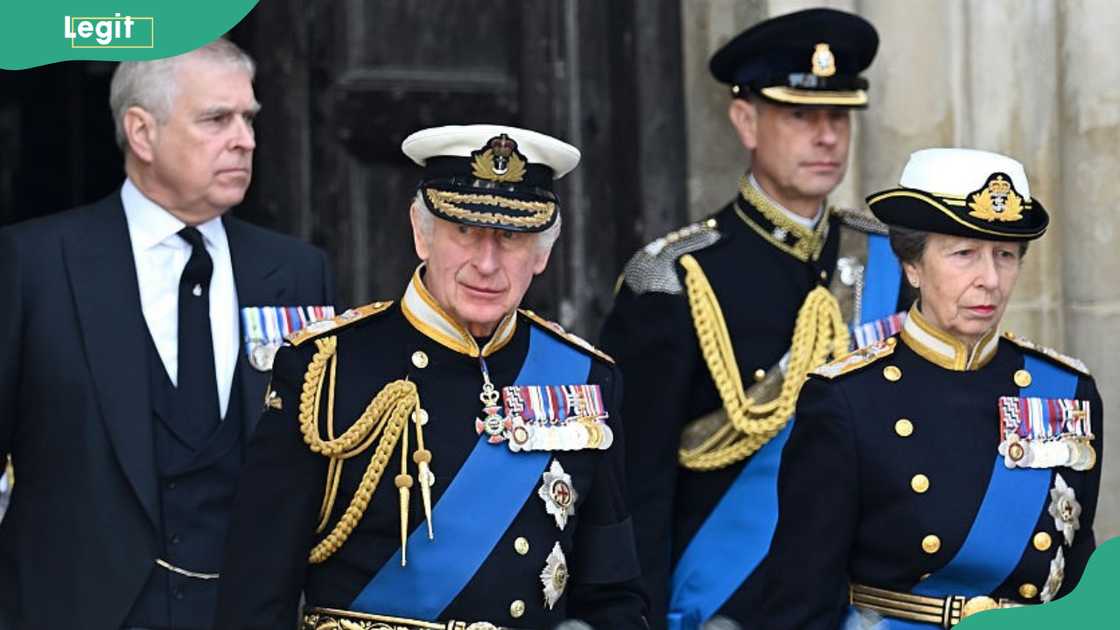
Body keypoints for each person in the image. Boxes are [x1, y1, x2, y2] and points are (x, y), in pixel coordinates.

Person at [213, 124, 648, 630]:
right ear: (422, 234)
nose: (487, 264)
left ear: (543, 254)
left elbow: (612, 594)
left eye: (510, 238)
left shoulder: (586, 377)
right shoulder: (326, 367)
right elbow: (255, 595)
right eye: (465, 232)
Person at [0, 39, 336, 629]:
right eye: (216, 119)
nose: (245, 139)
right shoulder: (35, 264)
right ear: (141, 132)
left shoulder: (298, 273)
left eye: (249, 119)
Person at [600, 8, 904, 629]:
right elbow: (637, 485)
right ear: (745, 120)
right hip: (729, 609)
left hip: (859, 604)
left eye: (838, 116)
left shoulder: (892, 262)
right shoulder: (676, 278)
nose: (826, 137)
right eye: (800, 115)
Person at [762, 148, 1103, 629]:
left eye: (1005, 256)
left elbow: (1074, 580)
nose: (989, 280)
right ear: (913, 266)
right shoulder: (847, 398)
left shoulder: (1066, 390)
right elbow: (801, 599)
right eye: (964, 254)